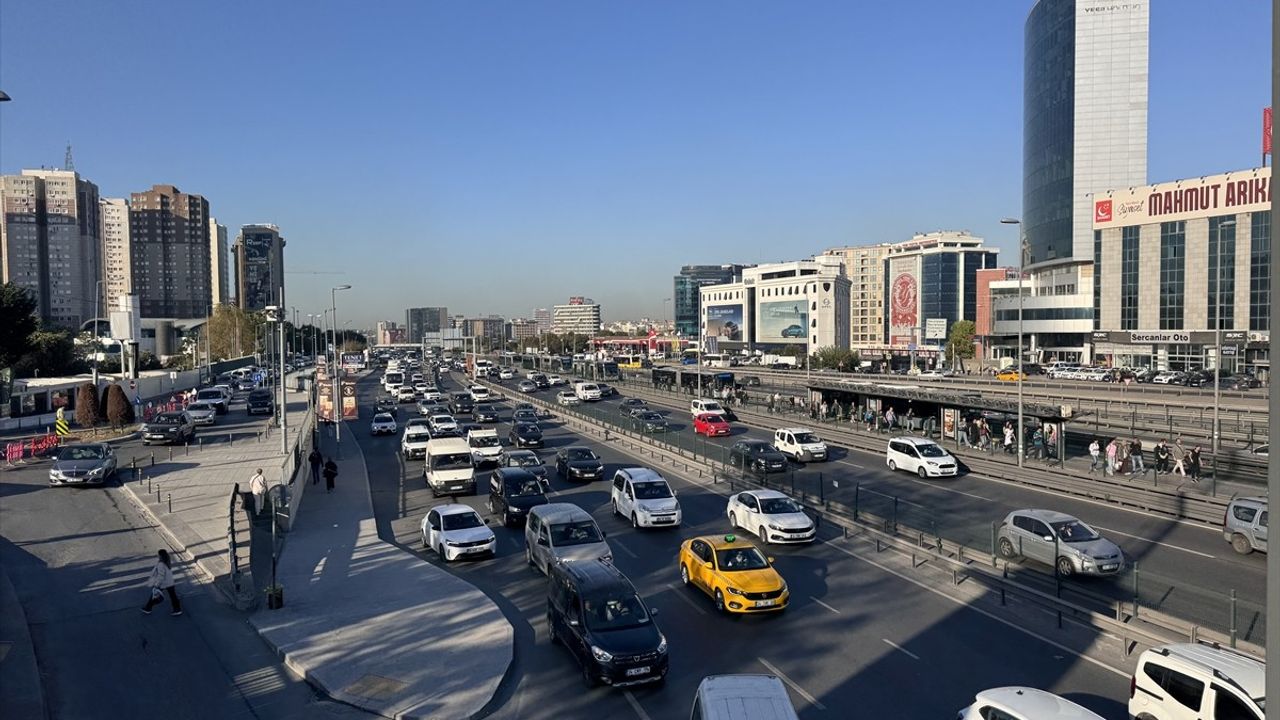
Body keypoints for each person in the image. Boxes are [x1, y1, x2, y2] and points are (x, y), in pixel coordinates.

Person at [141, 549, 182, 616]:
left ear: (160, 556)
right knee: (173, 596)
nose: (158, 556)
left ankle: (148, 608)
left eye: (158, 555)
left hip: (163, 583)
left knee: (154, 595)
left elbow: (161, 576)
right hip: (170, 582)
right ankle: (177, 609)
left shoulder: (161, 564)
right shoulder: (167, 561)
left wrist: (157, 585)